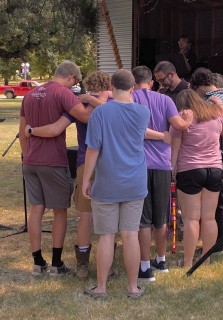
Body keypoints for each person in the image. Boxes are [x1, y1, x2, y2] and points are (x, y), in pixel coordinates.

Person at [23, 71, 117, 279]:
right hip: (112, 164)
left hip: (86, 162)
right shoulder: (117, 102)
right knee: (109, 214)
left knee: (85, 215)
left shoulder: (79, 105)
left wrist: (31, 131)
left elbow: (56, 128)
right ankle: (108, 264)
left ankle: (82, 264)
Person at [19, 60, 95, 276]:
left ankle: (37, 262)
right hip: (53, 161)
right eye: (76, 83)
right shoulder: (62, 93)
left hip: (31, 161)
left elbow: (22, 131)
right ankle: (56, 263)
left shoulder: (30, 94)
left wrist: (27, 156)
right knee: (60, 211)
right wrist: (97, 99)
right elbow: (86, 116)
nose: (75, 87)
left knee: (36, 210)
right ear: (71, 77)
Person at [82, 69, 149, 300]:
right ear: (133, 88)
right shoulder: (143, 112)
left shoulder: (101, 112)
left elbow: (93, 149)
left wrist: (85, 180)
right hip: (135, 181)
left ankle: (101, 288)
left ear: (111, 87)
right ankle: (132, 288)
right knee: (130, 235)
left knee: (106, 236)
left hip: (107, 182)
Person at [131, 66, 193, 281]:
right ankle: (161, 259)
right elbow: (178, 125)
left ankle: (145, 266)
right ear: (151, 82)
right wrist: (188, 118)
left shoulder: (130, 99)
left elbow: (133, 129)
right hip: (163, 164)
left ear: (132, 82)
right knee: (161, 216)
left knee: (144, 218)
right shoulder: (165, 100)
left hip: (139, 164)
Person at [170, 90, 223, 267]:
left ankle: (188, 261)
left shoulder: (182, 119)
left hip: (190, 169)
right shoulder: (215, 114)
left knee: (191, 218)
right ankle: (206, 258)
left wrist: (172, 170)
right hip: (214, 168)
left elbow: (174, 147)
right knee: (209, 217)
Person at [190, 68, 223, 253]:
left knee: (217, 198)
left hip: (221, 153)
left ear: (199, 85)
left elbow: (215, 130)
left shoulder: (210, 101)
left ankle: (217, 242)